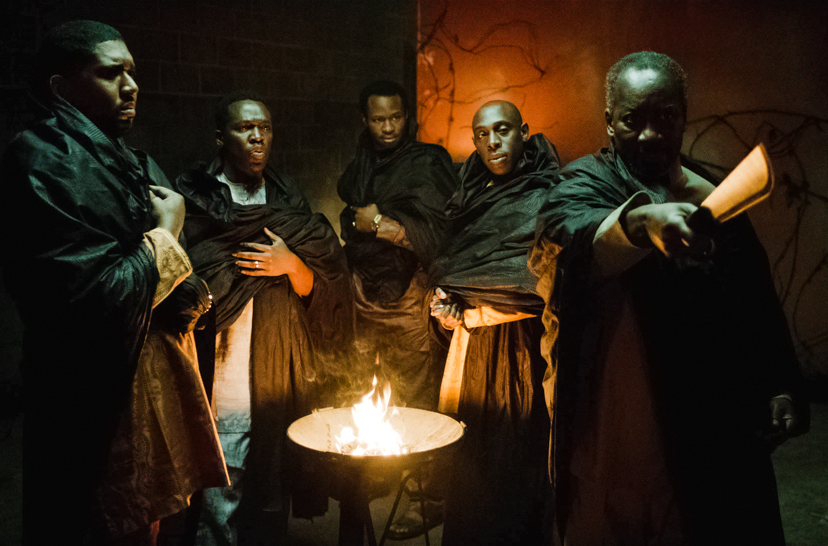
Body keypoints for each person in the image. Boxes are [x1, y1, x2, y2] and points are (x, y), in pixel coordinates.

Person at [530, 51, 809, 546]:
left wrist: (778, 385)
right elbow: (571, 230)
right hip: (610, 434)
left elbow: (754, 303)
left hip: (704, 428)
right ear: (609, 121)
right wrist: (641, 223)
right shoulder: (583, 184)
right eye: (632, 120)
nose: (650, 134)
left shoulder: (715, 199)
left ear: (683, 117)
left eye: (665, 117)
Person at [0, 20, 227, 545]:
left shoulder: (131, 161)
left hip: (156, 384)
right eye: (110, 73)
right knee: (102, 522)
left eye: (133, 72)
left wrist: (184, 283)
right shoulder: (41, 160)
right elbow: (92, 301)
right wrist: (164, 236)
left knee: (154, 519)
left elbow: (186, 288)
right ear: (62, 87)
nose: (131, 86)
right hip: (98, 400)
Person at [175, 91, 353, 546]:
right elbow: (184, 276)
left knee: (272, 465)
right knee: (225, 467)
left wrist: (289, 264)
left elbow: (321, 283)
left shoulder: (286, 194)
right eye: (245, 128)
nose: (258, 137)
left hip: (277, 356)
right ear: (221, 137)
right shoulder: (195, 196)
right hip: (225, 357)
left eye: (265, 128)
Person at [428, 100, 560, 545]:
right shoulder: (469, 197)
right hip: (471, 355)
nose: (493, 143)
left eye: (502, 130)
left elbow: (543, 282)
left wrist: (477, 309)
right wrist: (448, 312)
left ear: (524, 131)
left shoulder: (548, 194)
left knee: (517, 462)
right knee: (472, 468)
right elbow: (451, 269)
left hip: (524, 352)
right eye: (482, 135)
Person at [336, 80, 457, 410]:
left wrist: (379, 224)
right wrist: (357, 223)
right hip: (362, 293)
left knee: (413, 392)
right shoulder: (361, 166)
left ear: (407, 117)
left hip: (410, 296)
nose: (388, 128)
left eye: (396, 117)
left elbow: (441, 233)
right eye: (378, 120)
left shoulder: (428, 163)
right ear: (365, 120)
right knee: (359, 388)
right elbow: (351, 219)